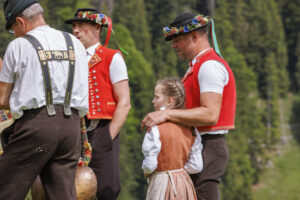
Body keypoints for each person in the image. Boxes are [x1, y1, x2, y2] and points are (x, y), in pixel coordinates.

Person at [141, 13, 236, 200]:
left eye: (178, 40)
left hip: (208, 145)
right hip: (199, 145)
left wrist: (167, 115)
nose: (174, 45)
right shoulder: (200, 65)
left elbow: (210, 114)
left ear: (195, 37)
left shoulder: (209, 66)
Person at [0, 0, 88, 199]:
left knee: (5, 189)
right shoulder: (74, 43)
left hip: (37, 125)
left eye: (13, 29)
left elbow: (2, 99)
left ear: (20, 22)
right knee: (62, 195)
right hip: (71, 128)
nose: (15, 34)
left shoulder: (19, 45)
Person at [65, 8, 131, 200]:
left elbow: (124, 102)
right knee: (71, 187)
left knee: (107, 188)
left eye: (80, 25)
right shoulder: (70, 58)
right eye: (74, 26)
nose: (75, 30)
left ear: (96, 27)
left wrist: (108, 136)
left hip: (101, 129)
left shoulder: (112, 57)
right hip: (72, 130)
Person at [142, 77, 203, 200]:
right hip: (184, 184)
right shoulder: (190, 128)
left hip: (162, 183)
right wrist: (179, 172)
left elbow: (150, 165)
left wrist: (146, 170)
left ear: (170, 101)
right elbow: (196, 166)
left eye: (157, 97)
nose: (153, 101)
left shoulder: (155, 128)